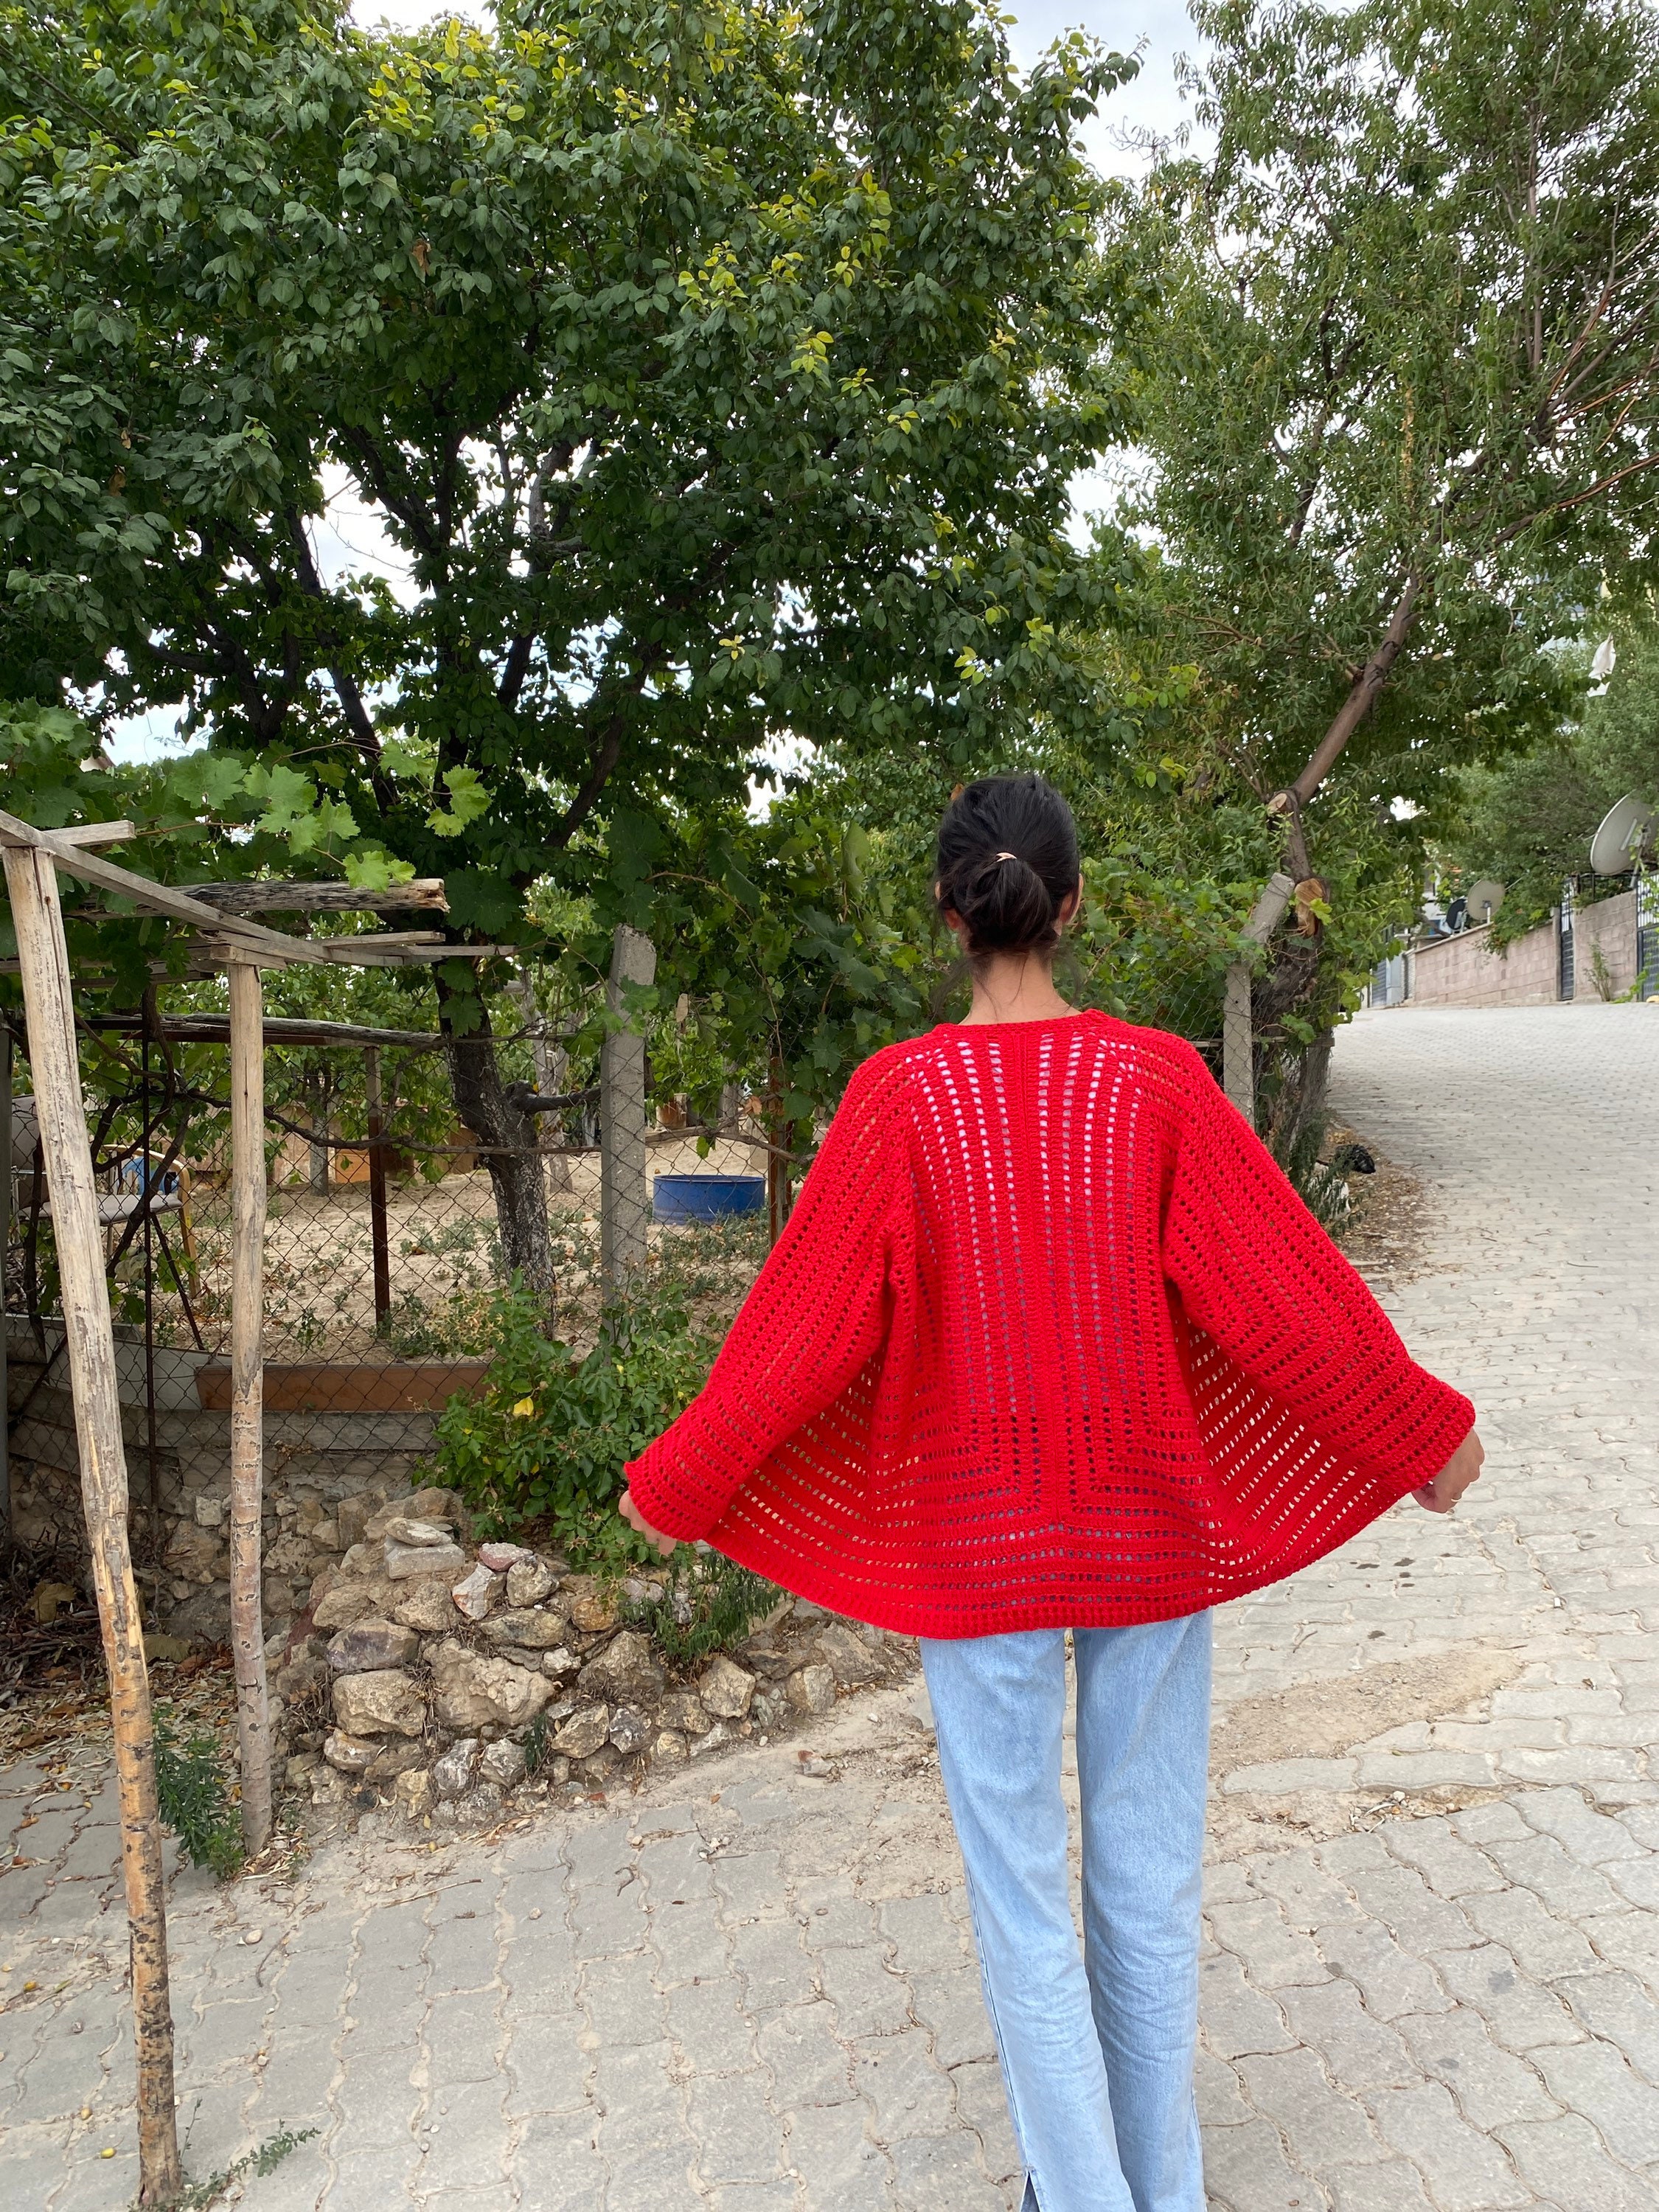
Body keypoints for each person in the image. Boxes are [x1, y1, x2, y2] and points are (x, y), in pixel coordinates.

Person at [620, 773, 1484, 2212]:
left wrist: (679, 1481)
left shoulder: (899, 1099)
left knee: (1020, 1900)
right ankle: (1162, 2190)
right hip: (1144, 1529)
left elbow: (804, 1335)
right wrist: (1420, 1435)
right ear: (1069, 907)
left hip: (978, 1554)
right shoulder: (1153, 1080)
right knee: (1147, 1882)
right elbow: (1280, 1301)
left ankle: (1083, 2196)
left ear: (949, 913)